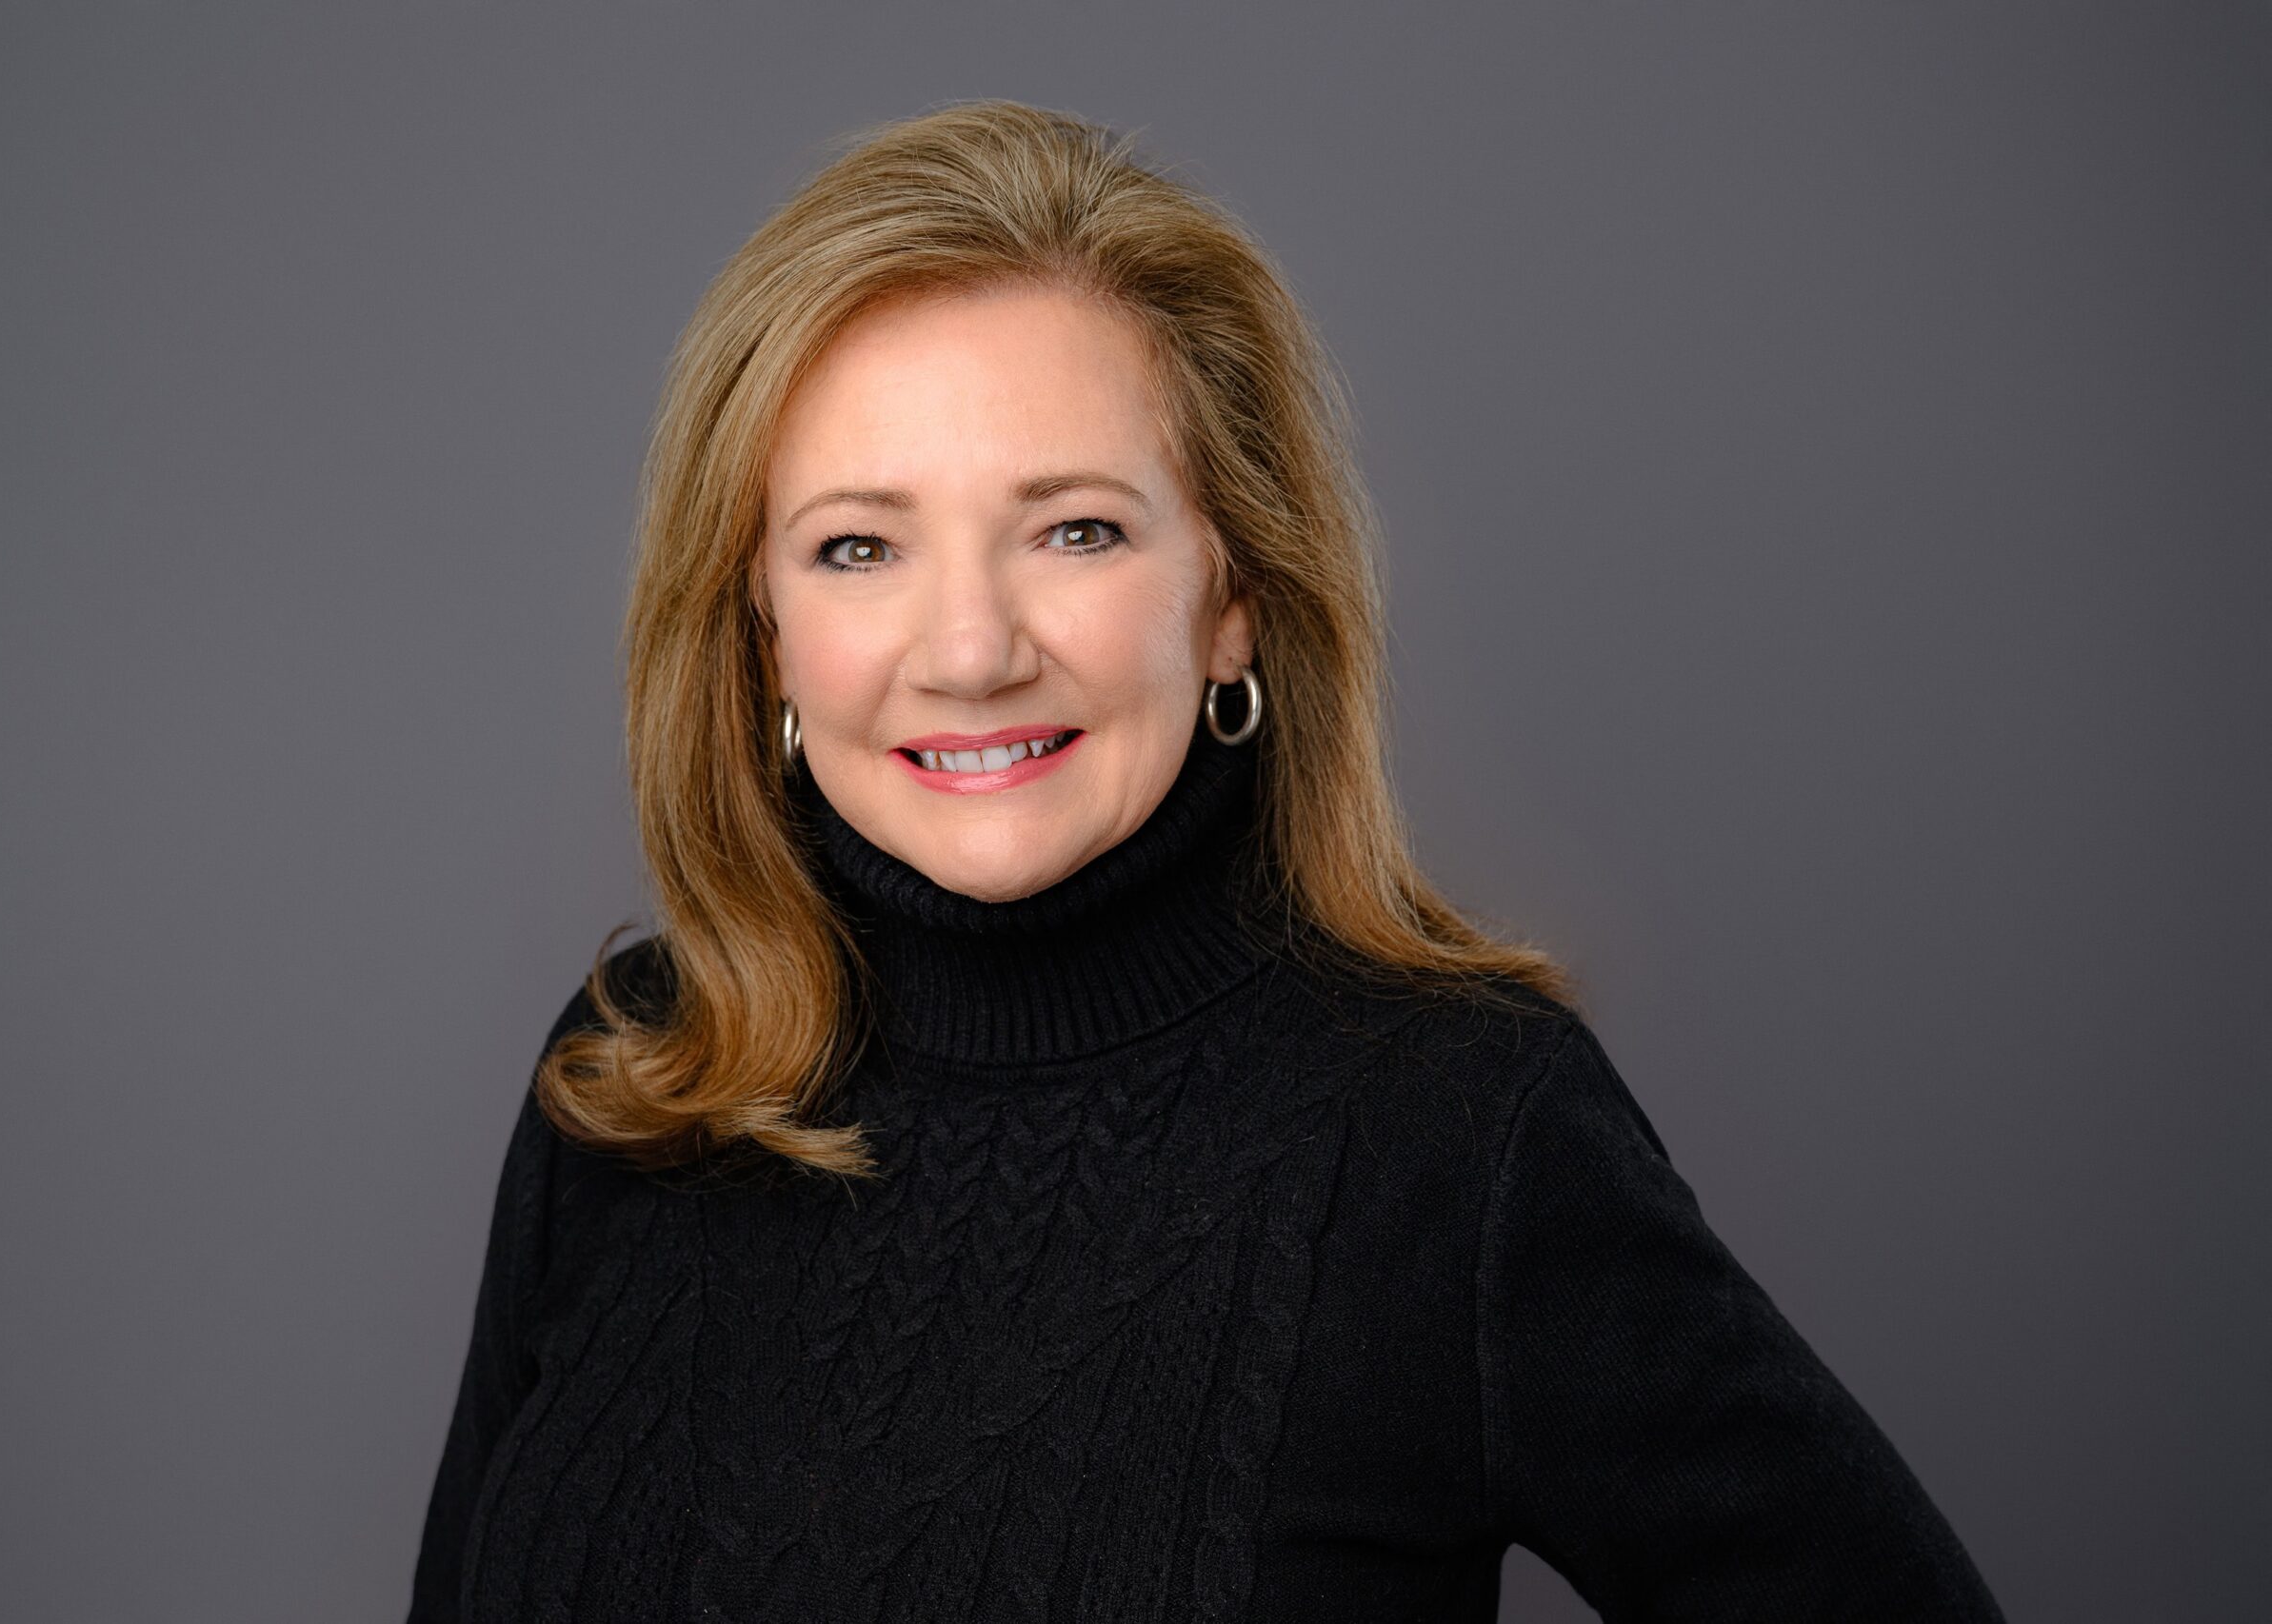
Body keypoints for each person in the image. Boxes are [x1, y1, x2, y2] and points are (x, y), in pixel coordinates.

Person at [409, 100, 2004, 1622]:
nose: (969, 649)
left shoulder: (1456, 1131)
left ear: (1233, 589)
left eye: (1075, 529)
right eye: (858, 546)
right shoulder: (641, 1067)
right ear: (764, 630)